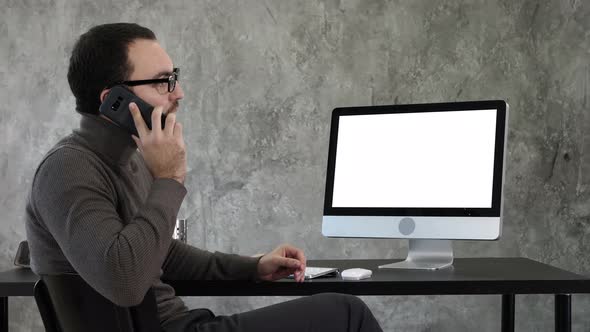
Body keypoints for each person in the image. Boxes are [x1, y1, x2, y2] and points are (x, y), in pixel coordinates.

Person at [25, 23, 383, 332]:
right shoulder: (67, 170)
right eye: (163, 83)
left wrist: (253, 267)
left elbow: (162, 254)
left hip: (178, 324)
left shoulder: (128, 162)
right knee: (345, 313)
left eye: (174, 78)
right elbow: (126, 282)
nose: (178, 93)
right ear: (113, 101)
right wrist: (168, 178)